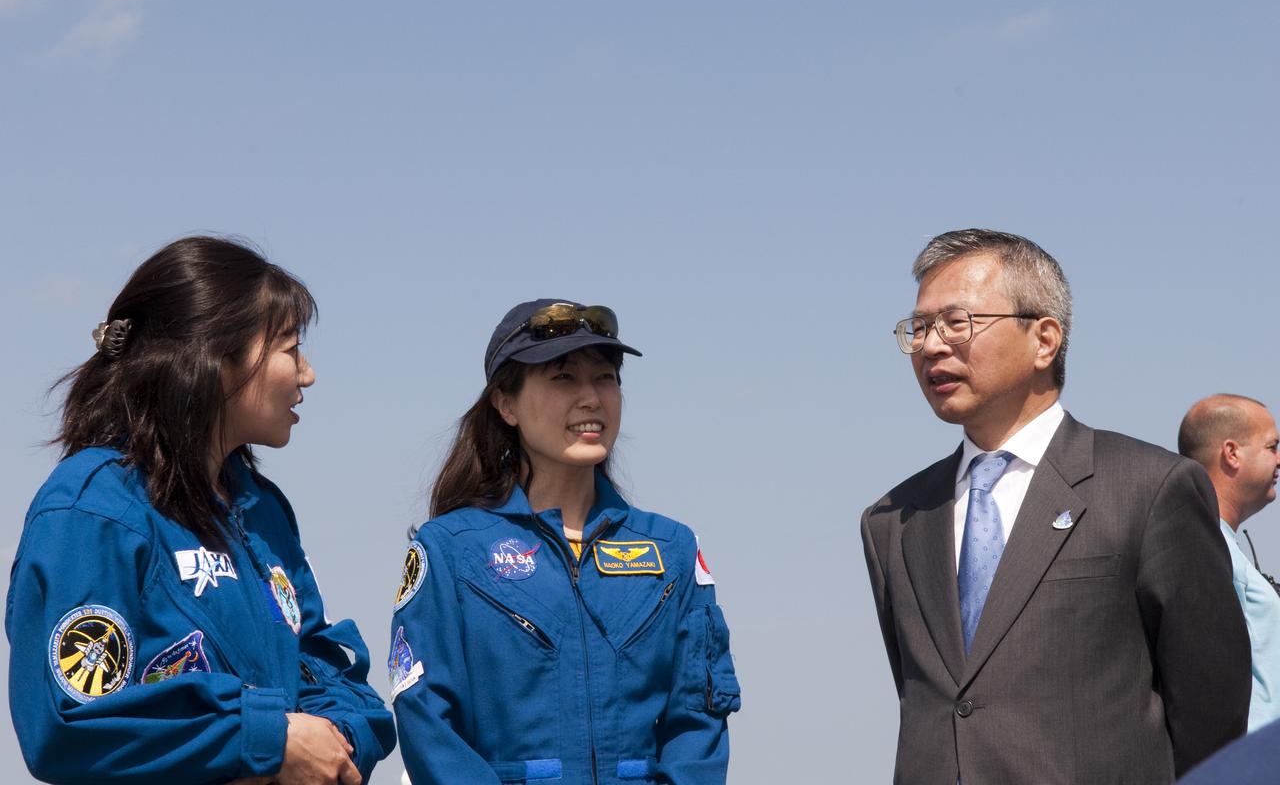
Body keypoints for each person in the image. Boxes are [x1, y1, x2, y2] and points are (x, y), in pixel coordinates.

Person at [860, 228, 1250, 784]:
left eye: (957, 322)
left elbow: (1211, 711)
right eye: (919, 328)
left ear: (1044, 340)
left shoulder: (1149, 487)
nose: (931, 345)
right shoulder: (893, 520)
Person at [6, 236, 395, 785]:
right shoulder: (91, 508)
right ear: (214, 357)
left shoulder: (262, 510)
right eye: (289, 347)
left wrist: (337, 738)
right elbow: (68, 722)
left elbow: (323, 665)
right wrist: (269, 740)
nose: (307, 374)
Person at [390, 299, 740, 785]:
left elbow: (697, 726)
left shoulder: (672, 551)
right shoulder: (450, 550)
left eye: (605, 378)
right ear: (505, 403)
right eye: (562, 378)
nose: (591, 398)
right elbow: (429, 722)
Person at [1179, 394, 1280, 731]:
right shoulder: (1208, 548)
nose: (1278, 459)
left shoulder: (1217, 544)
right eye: (1271, 447)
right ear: (1232, 453)